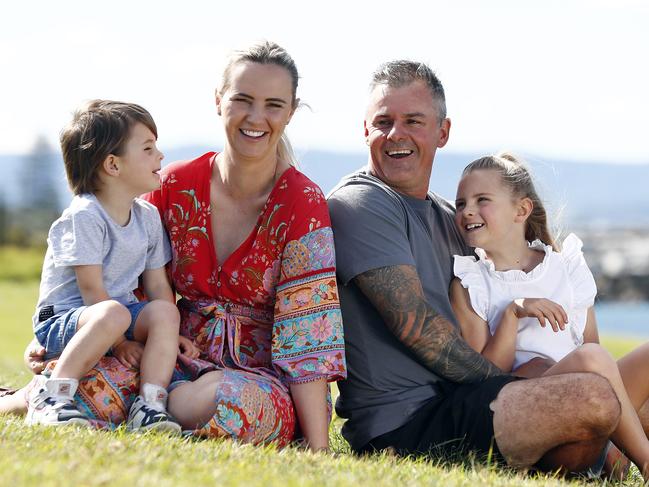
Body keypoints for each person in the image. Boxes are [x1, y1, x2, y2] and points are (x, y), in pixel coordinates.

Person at [7, 41, 346, 451]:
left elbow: (307, 330)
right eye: (242, 99)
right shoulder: (172, 184)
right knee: (90, 387)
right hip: (166, 354)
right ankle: (30, 401)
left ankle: (150, 411)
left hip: (255, 377)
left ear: (291, 112)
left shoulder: (301, 202)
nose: (256, 117)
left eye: (274, 104)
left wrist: (317, 446)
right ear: (219, 101)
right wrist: (65, 337)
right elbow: (117, 284)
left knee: (224, 402)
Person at [327, 59, 624, 473]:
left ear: (442, 132)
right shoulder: (361, 204)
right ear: (365, 130)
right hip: (407, 424)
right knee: (593, 398)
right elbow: (418, 329)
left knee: (620, 394)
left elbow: (501, 281)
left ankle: (591, 450)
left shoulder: (449, 218)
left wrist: (547, 363)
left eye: (414, 120)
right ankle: (594, 451)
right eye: (383, 122)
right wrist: (524, 385)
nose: (397, 134)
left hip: (466, 401)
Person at [451, 152, 649, 479]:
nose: (467, 210)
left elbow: (601, 366)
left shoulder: (565, 265)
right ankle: (643, 459)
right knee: (592, 359)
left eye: (481, 199)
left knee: (603, 359)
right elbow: (485, 378)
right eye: (460, 203)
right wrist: (513, 313)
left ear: (522, 210)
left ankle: (612, 451)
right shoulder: (471, 281)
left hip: (588, 389)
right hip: (530, 402)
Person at [23, 100, 196, 433]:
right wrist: (120, 344)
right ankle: (51, 398)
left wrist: (171, 332)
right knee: (112, 311)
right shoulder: (85, 216)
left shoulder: (147, 217)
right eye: (148, 149)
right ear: (113, 165)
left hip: (114, 312)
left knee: (164, 311)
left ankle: (150, 405)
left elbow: (159, 286)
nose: (160, 156)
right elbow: (92, 292)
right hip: (64, 317)